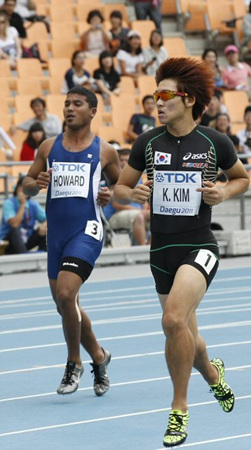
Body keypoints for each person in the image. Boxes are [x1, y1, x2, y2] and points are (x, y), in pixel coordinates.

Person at [113, 57, 249, 447]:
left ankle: (179, 409)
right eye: (155, 95)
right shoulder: (147, 143)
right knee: (187, 332)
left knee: (172, 321)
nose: (157, 102)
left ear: (187, 99)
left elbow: (242, 178)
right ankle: (211, 374)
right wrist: (132, 194)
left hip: (199, 245)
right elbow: (122, 189)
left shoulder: (213, 142)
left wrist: (222, 191)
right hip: (162, 251)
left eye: (165, 95)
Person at [22, 86, 121, 397]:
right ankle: (100, 358)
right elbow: (25, 185)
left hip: (87, 230)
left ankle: (73, 363)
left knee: (66, 293)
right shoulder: (48, 147)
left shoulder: (105, 151)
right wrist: (34, 184)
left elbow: (121, 186)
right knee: (66, 305)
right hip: (57, 236)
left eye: (77, 104)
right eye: (66, 104)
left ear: (92, 112)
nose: (69, 108)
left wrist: (110, 195)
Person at [103, 148, 150, 245]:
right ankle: (143, 252)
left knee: (159, 218)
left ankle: (150, 248)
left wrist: (146, 210)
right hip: (115, 216)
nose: (124, 163)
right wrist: (141, 211)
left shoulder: (137, 178)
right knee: (139, 217)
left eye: (127, 161)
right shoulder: (113, 176)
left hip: (137, 213)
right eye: (121, 160)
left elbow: (144, 200)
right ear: (117, 161)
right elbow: (117, 204)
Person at [0, 175, 46, 254]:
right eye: (22, 188)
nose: (24, 191)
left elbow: (48, 218)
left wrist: (45, 224)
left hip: (27, 239)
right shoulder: (9, 203)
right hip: (10, 243)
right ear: (17, 188)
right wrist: (22, 204)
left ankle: (44, 253)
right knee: (15, 230)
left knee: (46, 229)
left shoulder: (33, 204)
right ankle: (24, 255)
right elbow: (15, 224)